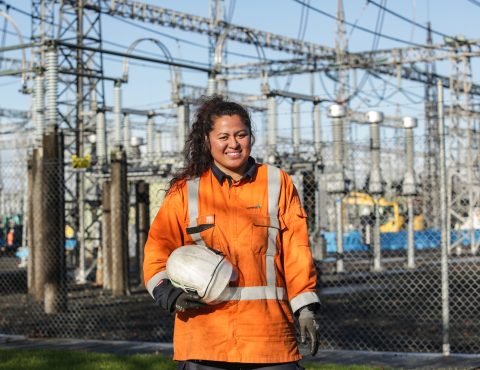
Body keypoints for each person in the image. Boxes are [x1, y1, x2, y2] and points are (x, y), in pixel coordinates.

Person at [144, 95, 320, 370]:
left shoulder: (277, 183)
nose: (234, 144)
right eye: (223, 136)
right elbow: (156, 252)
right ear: (207, 140)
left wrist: (305, 308)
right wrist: (170, 294)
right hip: (205, 340)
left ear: (251, 136)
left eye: (241, 134)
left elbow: (297, 253)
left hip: (269, 341)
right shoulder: (186, 192)